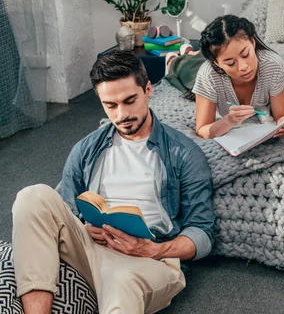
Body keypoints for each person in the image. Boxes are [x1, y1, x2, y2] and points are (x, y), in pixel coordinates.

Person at [11, 50, 215, 313]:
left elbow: (203, 233)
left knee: (120, 282)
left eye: (130, 100)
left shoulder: (183, 153)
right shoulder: (86, 149)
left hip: (149, 260)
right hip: (92, 248)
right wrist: (84, 229)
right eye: (111, 106)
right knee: (33, 195)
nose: (122, 114)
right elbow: (65, 213)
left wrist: (153, 249)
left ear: (148, 90)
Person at [193, 15, 284, 138]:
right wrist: (228, 121)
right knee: (184, 68)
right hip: (196, 71)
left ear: (253, 42)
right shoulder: (208, 75)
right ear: (217, 63)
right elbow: (202, 130)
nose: (243, 67)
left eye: (245, 54)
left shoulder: (273, 65)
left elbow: (281, 116)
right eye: (231, 63)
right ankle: (179, 57)